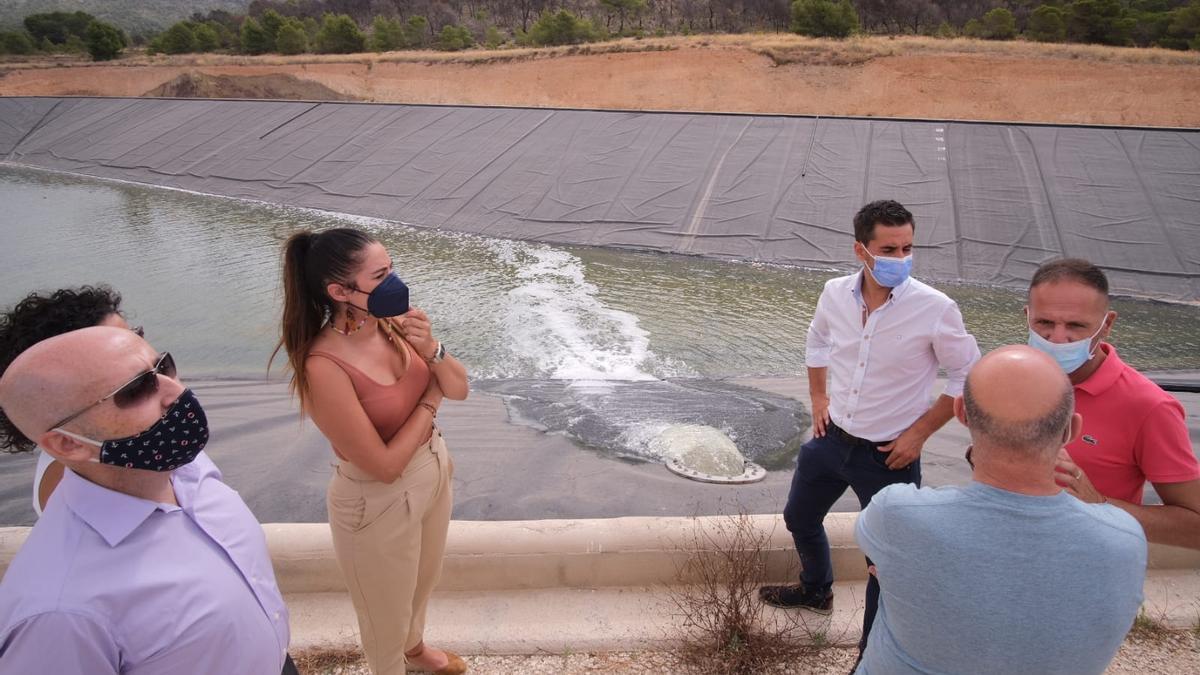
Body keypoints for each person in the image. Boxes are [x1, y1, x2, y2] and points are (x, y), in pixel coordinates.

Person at [0, 327, 294, 674]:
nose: (175, 390)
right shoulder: (59, 613)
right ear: (67, 444)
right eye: (138, 388)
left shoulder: (186, 466)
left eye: (164, 366)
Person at [759, 200, 980, 660]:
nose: (900, 259)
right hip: (830, 438)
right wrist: (819, 398)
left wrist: (919, 435)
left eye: (907, 248)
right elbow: (817, 339)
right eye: (889, 249)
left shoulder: (935, 308)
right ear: (861, 250)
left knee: (884, 561)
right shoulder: (834, 293)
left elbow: (966, 377)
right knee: (799, 517)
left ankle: (871, 654)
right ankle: (816, 591)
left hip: (889, 456)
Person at [855, 345, 1146, 674]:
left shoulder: (896, 513)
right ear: (1072, 429)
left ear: (962, 413)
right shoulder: (1125, 539)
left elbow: (875, 551)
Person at [275, 228, 470, 675]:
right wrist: (429, 400)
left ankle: (415, 650)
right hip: (376, 502)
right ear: (340, 291)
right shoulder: (323, 365)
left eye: (392, 269)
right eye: (381, 276)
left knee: (423, 582)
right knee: (384, 615)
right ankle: (394, 663)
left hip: (433, 468)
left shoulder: (395, 325)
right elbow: (383, 466)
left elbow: (458, 388)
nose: (395, 283)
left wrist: (431, 348)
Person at [1024, 258, 1200, 549]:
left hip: (1091, 566)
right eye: (1044, 322)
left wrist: (1099, 505)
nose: (1057, 338)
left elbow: (1195, 525)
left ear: (1107, 325)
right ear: (1027, 316)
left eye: (1076, 325)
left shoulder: (1149, 407)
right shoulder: (1009, 378)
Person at [0, 285, 142, 516]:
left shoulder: (140, 430)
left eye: (137, 338)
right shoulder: (72, 485)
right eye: (115, 357)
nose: (144, 358)